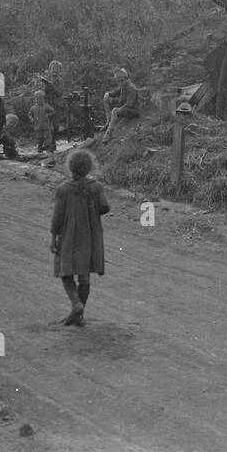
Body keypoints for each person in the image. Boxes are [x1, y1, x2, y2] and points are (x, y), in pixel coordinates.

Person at [50, 148, 110, 327]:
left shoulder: (63, 189)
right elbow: (105, 207)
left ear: (70, 167)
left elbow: (57, 217)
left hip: (69, 236)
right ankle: (80, 314)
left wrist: (54, 237)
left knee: (65, 270)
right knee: (84, 276)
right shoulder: (96, 187)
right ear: (90, 167)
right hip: (90, 237)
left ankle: (76, 304)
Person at [99, 68, 140, 142]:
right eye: (118, 81)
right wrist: (108, 94)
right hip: (125, 108)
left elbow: (130, 104)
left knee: (115, 110)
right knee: (107, 99)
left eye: (121, 80)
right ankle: (108, 121)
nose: (120, 82)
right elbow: (116, 92)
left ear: (126, 78)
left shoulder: (131, 88)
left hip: (133, 110)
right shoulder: (123, 86)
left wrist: (119, 109)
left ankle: (108, 134)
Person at [42, 61, 68, 147]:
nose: (54, 70)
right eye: (53, 68)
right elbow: (43, 93)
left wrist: (52, 86)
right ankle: (46, 143)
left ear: (59, 70)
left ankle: (53, 141)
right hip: (47, 104)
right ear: (49, 69)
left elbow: (60, 92)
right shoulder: (47, 79)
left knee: (55, 125)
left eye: (57, 69)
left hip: (56, 104)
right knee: (46, 124)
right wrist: (46, 86)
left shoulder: (60, 80)